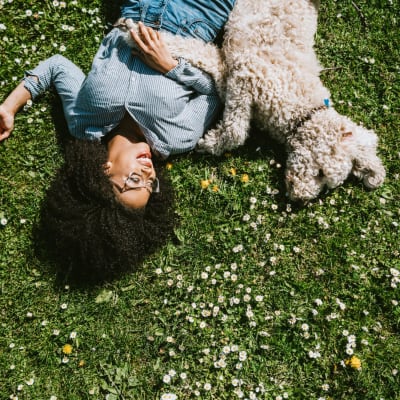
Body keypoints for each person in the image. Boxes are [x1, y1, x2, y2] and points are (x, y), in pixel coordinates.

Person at [0, 0, 235, 281]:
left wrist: (10, 107)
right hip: (199, 14)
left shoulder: (84, 123)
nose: (148, 173)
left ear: (103, 173)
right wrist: (171, 66)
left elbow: (57, 68)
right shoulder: (176, 138)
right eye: (151, 184)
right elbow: (216, 92)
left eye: (135, 180)